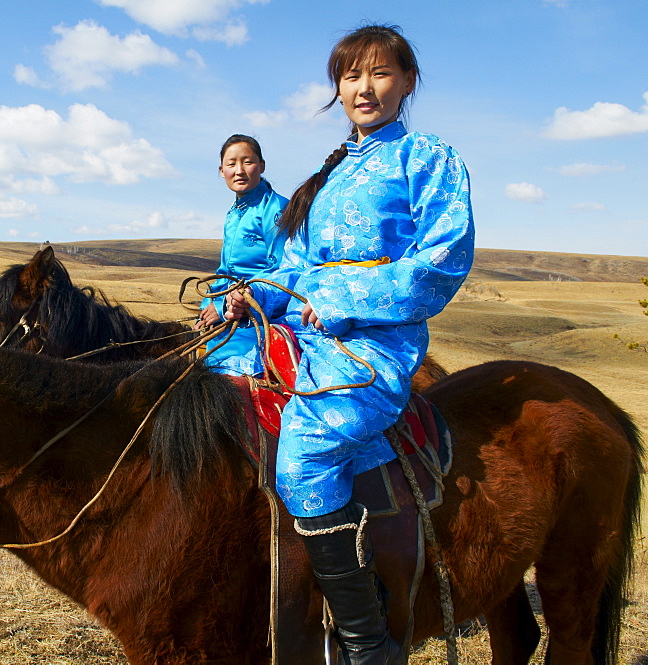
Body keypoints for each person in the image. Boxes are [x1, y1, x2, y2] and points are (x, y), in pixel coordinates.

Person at [225, 24, 474, 663]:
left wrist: (332, 300)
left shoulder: (428, 159)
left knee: (306, 448)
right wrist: (256, 295)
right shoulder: (327, 176)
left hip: (377, 348)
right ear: (338, 86)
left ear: (408, 82)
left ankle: (368, 642)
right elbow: (296, 265)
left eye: (380, 73)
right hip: (306, 337)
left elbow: (441, 264)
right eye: (350, 75)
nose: (364, 88)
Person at [196, 134, 288, 375]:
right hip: (226, 312)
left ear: (262, 166)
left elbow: (281, 268)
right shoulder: (233, 213)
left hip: (257, 316)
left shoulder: (276, 209)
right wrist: (209, 305)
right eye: (231, 164)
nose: (239, 170)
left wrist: (228, 303)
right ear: (221, 171)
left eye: (247, 162)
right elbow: (224, 271)